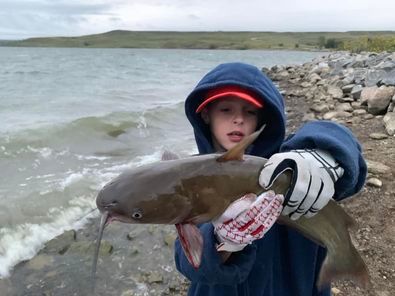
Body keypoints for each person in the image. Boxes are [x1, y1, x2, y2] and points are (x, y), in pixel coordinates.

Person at [174, 62, 367, 296]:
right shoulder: (192, 181)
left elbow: (335, 135)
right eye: (226, 109)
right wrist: (221, 241)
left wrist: (324, 158)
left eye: (250, 111)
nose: (238, 119)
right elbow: (189, 265)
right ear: (206, 114)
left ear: (262, 118)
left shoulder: (289, 168)